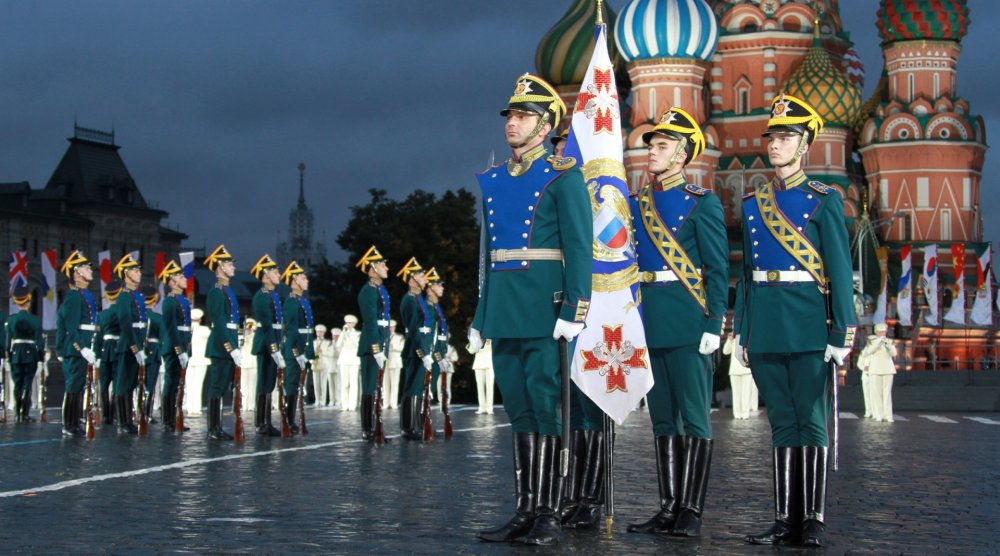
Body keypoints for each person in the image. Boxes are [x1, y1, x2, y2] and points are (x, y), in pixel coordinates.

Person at [470, 73, 591, 546]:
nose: (512, 122)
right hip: (505, 307)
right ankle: (523, 509)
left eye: (522, 116)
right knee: (518, 410)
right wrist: (481, 317)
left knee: (546, 409)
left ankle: (548, 511)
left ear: (545, 128)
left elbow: (580, 249)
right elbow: (487, 255)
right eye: (510, 115)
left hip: (545, 306)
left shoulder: (563, 177)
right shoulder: (494, 180)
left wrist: (575, 308)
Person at [735, 93, 856, 547]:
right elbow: (746, 275)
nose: (775, 144)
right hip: (766, 324)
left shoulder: (824, 200)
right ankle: (785, 518)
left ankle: (813, 520)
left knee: (811, 420)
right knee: (782, 422)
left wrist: (842, 330)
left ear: (805, 144)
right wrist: (743, 330)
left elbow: (840, 271)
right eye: (773, 136)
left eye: (785, 137)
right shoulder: (752, 204)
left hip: (808, 324)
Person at [626, 107, 728, 537]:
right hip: (648, 320)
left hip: (687, 320)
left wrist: (713, 324)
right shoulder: (637, 203)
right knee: (663, 417)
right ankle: (667, 507)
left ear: (683, 155)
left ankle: (691, 510)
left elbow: (718, 270)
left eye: (662, 146)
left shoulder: (702, 204)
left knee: (694, 417)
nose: (652, 151)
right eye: (651, 144)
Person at [55, 251, 99, 437]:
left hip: (85, 347)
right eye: (86, 268)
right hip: (77, 350)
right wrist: (82, 349)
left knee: (80, 385)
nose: (90, 270)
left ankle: (75, 422)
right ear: (76, 273)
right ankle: (69, 424)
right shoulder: (74, 296)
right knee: (73, 385)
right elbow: (72, 329)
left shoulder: (85, 294)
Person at [204, 244, 241, 440]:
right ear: (220, 267)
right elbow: (218, 321)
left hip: (229, 343)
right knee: (217, 387)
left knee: (222, 386)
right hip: (221, 346)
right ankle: (213, 428)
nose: (233, 267)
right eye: (229, 264)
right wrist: (230, 347)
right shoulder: (217, 291)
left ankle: (217, 427)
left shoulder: (227, 290)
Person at [355, 245, 391, 442]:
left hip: (381, 342)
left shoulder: (380, 290)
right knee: (369, 387)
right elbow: (370, 322)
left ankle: (375, 427)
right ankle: (368, 429)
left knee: (376, 387)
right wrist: (376, 348)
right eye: (382, 265)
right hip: (371, 346)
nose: (386, 267)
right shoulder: (368, 292)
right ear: (372, 269)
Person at [397, 257, 434, 440]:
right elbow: (413, 329)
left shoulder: (418, 298)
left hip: (421, 346)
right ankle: (408, 427)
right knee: (411, 388)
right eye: (421, 276)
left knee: (418, 388)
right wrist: (423, 352)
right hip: (414, 349)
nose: (425, 279)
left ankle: (416, 424)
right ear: (412, 279)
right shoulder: (410, 300)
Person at [249, 254, 285, 437]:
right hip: (265, 344)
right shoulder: (262, 297)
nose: (279, 274)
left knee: (270, 382)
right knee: (264, 382)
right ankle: (261, 422)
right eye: (275, 272)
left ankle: (267, 421)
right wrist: (274, 348)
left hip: (273, 342)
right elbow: (267, 324)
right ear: (265, 276)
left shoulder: (273, 295)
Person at [112, 253, 147, 435]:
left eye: (138, 270)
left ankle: (128, 420)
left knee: (131, 383)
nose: (138, 273)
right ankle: (123, 421)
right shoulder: (125, 296)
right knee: (124, 383)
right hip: (128, 346)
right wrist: (135, 346)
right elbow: (125, 321)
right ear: (126, 275)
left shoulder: (137, 295)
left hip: (138, 344)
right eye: (134, 271)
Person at [158, 259, 191, 432]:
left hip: (183, 346)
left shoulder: (183, 300)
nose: (184, 278)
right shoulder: (170, 301)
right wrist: (179, 350)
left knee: (178, 383)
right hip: (173, 347)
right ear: (172, 282)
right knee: (170, 383)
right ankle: (167, 419)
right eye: (179, 276)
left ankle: (175, 417)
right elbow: (171, 328)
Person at [281, 261, 314, 433]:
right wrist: (296, 352)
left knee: (298, 385)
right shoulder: (292, 301)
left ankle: (292, 419)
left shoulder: (302, 301)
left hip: (303, 347)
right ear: (294, 281)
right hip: (296, 349)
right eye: (303, 278)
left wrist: (309, 352)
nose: (306, 280)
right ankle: (288, 420)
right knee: (292, 384)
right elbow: (291, 328)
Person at [7, 285, 43, 423]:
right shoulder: (35, 320)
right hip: (30, 353)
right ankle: (24, 413)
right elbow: (39, 341)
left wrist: (8, 355)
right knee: (27, 382)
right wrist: (40, 356)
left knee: (17, 383)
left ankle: (17, 413)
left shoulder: (11, 320)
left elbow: (7, 340)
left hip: (16, 353)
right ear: (28, 300)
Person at [96, 279, 123, 425]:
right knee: (117, 383)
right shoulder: (123, 313)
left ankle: (106, 415)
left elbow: (99, 336)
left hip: (105, 350)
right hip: (119, 349)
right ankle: (114, 413)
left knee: (104, 384)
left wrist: (96, 354)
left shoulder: (102, 315)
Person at [858, 323, 897, 422]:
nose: (882, 333)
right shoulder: (871, 341)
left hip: (888, 368)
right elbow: (867, 352)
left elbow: (894, 353)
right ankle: (878, 415)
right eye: (880, 332)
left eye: (883, 331)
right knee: (876, 393)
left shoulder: (889, 341)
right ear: (876, 332)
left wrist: (887, 346)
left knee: (887, 393)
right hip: (875, 369)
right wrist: (877, 343)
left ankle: (888, 415)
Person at [425, 267, 451, 404]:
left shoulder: (436, 307)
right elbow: (430, 337)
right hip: (430, 355)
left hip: (437, 354)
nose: (442, 288)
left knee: (430, 390)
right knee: (425, 390)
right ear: (429, 289)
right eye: (438, 285)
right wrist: (437, 356)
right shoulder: (428, 308)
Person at [142, 285, 164, 424]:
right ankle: (147, 413)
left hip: (137, 351)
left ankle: (136, 411)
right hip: (153, 351)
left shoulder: (137, 316)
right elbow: (163, 338)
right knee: (150, 383)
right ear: (154, 300)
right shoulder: (157, 318)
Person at [723, 332, 758, 419]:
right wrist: (729, 340)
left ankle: (745, 414)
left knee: (746, 393)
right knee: (736, 394)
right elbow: (725, 351)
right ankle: (737, 414)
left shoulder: (747, 338)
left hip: (746, 370)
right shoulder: (733, 340)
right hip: (734, 371)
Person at [186, 308, 209, 417]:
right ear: (200, 319)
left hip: (188, 361)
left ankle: (190, 408)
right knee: (198, 385)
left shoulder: (187, 329)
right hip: (201, 360)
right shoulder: (205, 330)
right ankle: (196, 408)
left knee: (189, 385)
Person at [336, 314, 361, 411]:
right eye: (347, 323)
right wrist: (343, 333)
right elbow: (338, 345)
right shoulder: (343, 333)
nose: (349, 324)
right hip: (344, 359)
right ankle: (344, 404)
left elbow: (356, 344)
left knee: (353, 383)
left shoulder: (358, 334)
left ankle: (352, 404)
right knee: (344, 383)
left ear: (354, 324)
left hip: (354, 360)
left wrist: (349, 335)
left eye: (351, 323)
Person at [471, 339, 494, 415]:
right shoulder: (476, 338)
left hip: (490, 364)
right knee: (480, 387)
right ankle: (481, 407)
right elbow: (471, 351)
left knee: (490, 387)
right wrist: (477, 341)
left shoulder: (492, 338)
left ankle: (489, 408)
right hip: (478, 364)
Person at [386, 320, 404, 410]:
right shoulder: (384, 336)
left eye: (392, 327)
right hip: (386, 362)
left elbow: (401, 348)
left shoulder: (399, 337)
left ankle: (393, 403)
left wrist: (393, 347)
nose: (390, 328)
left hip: (395, 361)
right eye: (389, 327)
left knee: (394, 383)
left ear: (395, 327)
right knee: (385, 384)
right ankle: (385, 403)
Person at [312, 324, 331, 406]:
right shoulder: (313, 342)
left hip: (324, 363)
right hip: (315, 363)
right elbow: (310, 353)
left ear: (323, 333)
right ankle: (317, 400)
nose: (319, 333)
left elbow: (330, 353)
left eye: (320, 332)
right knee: (316, 384)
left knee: (323, 384)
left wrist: (322, 351)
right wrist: (311, 360)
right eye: (317, 332)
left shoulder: (327, 342)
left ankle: (323, 401)